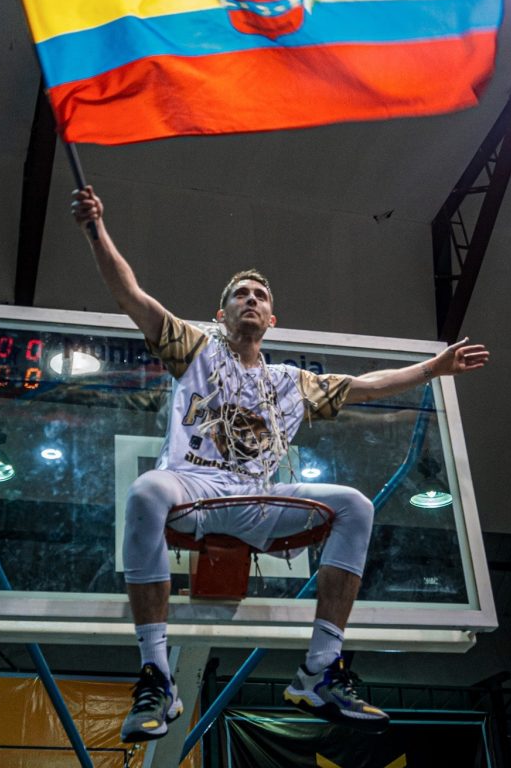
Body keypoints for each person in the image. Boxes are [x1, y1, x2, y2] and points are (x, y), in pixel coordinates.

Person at [72, 186, 489, 742]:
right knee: (147, 489)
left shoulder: (290, 382)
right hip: (193, 490)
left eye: (259, 295)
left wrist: (432, 368)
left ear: (272, 317)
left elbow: (366, 386)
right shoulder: (196, 351)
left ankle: (320, 669)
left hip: (256, 502)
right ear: (221, 314)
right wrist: (96, 230)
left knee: (354, 505)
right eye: (239, 294)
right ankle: (157, 675)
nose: (250, 299)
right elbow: (131, 295)